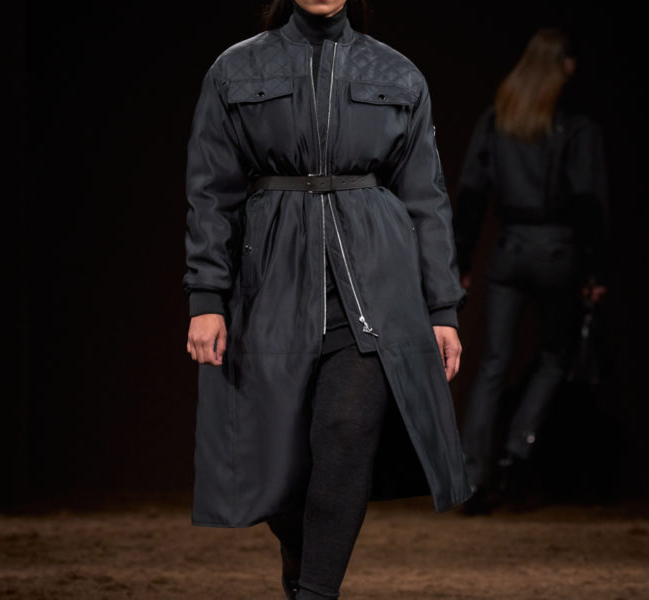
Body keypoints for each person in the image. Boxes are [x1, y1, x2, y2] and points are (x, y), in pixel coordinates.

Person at [182, 0, 470, 597]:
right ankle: (302, 558)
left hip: (373, 291)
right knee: (277, 462)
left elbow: (426, 196)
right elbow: (210, 191)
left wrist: (442, 308)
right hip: (271, 289)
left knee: (346, 433)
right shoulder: (235, 70)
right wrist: (206, 295)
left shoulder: (396, 73)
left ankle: (316, 591)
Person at [452, 28, 609, 514]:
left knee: (493, 362)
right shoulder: (574, 126)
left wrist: (461, 260)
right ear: (564, 67)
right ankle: (514, 456)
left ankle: (474, 476)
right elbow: (588, 201)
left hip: (510, 248)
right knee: (555, 357)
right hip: (558, 250)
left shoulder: (499, 119)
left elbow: (471, 193)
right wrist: (595, 270)